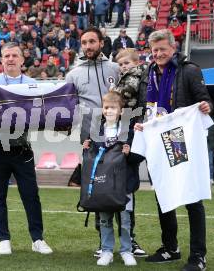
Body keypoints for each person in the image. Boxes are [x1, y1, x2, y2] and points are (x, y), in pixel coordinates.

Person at [133, 29, 212, 271]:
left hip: (181, 139)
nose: (158, 54)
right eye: (154, 50)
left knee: (192, 198)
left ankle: (198, 255)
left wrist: (206, 106)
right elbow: (143, 106)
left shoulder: (189, 70)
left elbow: (204, 98)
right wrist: (141, 122)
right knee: (163, 194)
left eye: (162, 49)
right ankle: (170, 248)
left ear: (173, 48)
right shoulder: (148, 73)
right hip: (157, 140)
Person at [0, 42, 53, 255]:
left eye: (14, 55)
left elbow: (42, 110)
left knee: (31, 195)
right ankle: (3, 239)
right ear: (1, 59)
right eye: (6, 55)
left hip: (22, 147)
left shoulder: (32, 84)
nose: (10, 59)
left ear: (22, 59)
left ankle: (37, 239)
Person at [65, 27, 120, 255]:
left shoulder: (115, 69)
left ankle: (131, 239)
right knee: (98, 188)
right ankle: (103, 242)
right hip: (91, 139)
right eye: (84, 43)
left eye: (92, 42)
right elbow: (68, 107)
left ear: (102, 42)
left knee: (122, 186)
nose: (87, 46)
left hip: (118, 136)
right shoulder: (73, 74)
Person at [83, 91, 141, 266]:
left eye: (113, 107)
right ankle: (106, 250)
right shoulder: (95, 132)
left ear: (121, 111)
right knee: (105, 219)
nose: (109, 110)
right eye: (106, 107)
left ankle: (126, 250)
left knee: (125, 220)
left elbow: (139, 156)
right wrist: (86, 149)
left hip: (124, 184)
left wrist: (130, 153)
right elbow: (92, 160)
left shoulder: (129, 131)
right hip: (103, 185)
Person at [112, 48, 149, 257]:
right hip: (121, 132)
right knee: (114, 188)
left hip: (131, 132)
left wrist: (112, 95)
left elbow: (121, 98)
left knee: (127, 188)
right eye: (121, 64)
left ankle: (129, 239)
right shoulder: (125, 78)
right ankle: (108, 240)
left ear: (136, 63)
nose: (124, 67)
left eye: (127, 63)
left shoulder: (135, 77)